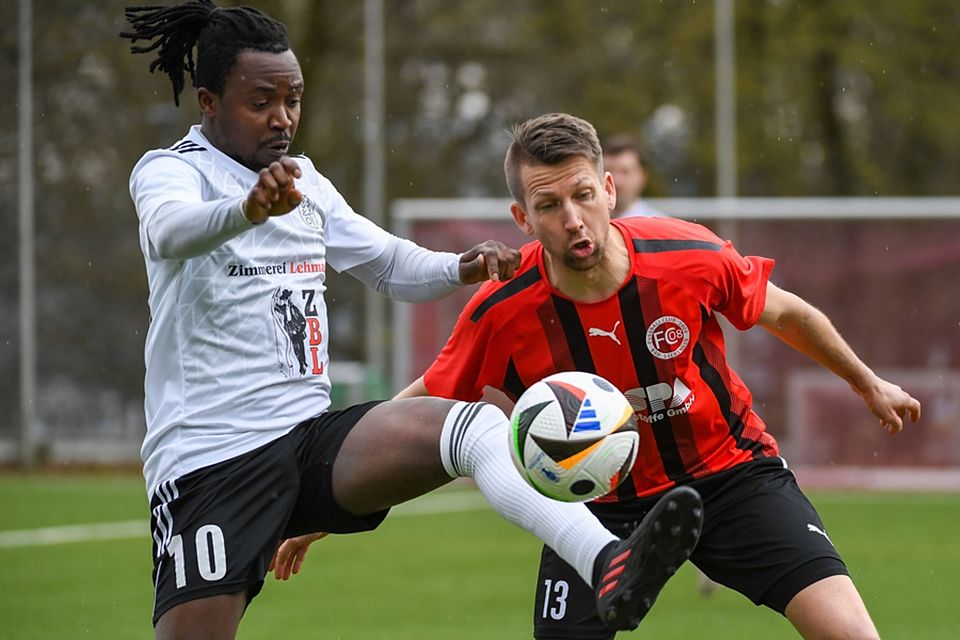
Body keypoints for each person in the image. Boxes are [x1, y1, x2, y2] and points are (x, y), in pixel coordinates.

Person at [119, 4, 703, 639]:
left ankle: (607, 562)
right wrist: (247, 209)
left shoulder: (305, 182)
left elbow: (389, 264)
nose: (282, 117)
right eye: (261, 101)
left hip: (308, 439)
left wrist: (462, 267)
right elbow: (169, 232)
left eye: (293, 99)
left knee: (474, 426)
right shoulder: (172, 171)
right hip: (214, 458)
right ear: (209, 101)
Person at [386, 113, 919, 639]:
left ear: (610, 190)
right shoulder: (501, 309)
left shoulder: (688, 255)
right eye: (549, 205)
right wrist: (333, 495)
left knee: (849, 633)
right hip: (592, 511)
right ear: (522, 218)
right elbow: (425, 406)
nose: (573, 218)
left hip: (730, 477)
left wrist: (868, 383)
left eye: (584, 195)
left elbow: (788, 314)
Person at [602, 134, 663, 218]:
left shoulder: (657, 227)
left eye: (625, 172)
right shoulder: (583, 224)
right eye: (609, 171)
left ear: (642, 176)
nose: (616, 180)